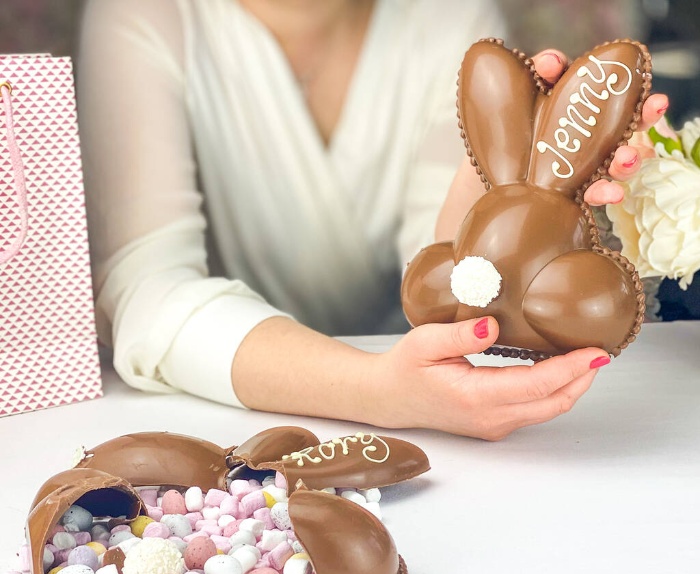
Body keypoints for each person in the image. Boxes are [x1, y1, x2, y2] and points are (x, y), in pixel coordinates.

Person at [77, 0, 668, 441]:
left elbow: (445, 274)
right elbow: (147, 291)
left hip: (436, 421)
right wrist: (377, 391)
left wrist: (510, 194)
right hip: (223, 415)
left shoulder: (449, 18)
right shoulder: (143, 17)